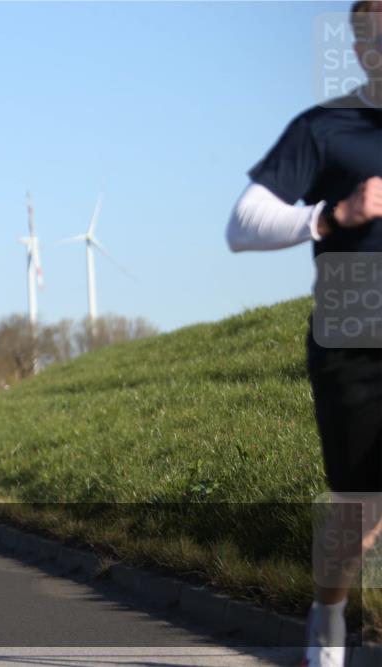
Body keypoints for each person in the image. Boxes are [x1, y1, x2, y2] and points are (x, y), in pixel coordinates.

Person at [226, 5, 381, 666]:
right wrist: (330, 214)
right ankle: (330, 612)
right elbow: (243, 223)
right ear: (358, 45)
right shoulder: (325, 128)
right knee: (357, 509)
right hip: (355, 336)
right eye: (373, 35)